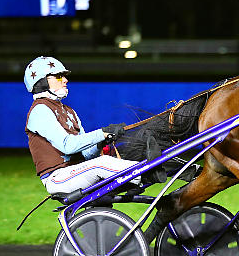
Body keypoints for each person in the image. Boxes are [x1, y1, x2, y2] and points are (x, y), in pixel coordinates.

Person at [24, 56, 149, 194]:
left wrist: (102, 141)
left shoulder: (69, 111)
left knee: (104, 160)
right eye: (59, 76)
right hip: (58, 177)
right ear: (41, 82)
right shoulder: (40, 110)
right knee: (103, 163)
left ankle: (143, 173)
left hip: (76, 172)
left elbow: (87, 155)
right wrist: (102, 133)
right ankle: (147, 171)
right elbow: (68, 146)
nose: (65, 80)